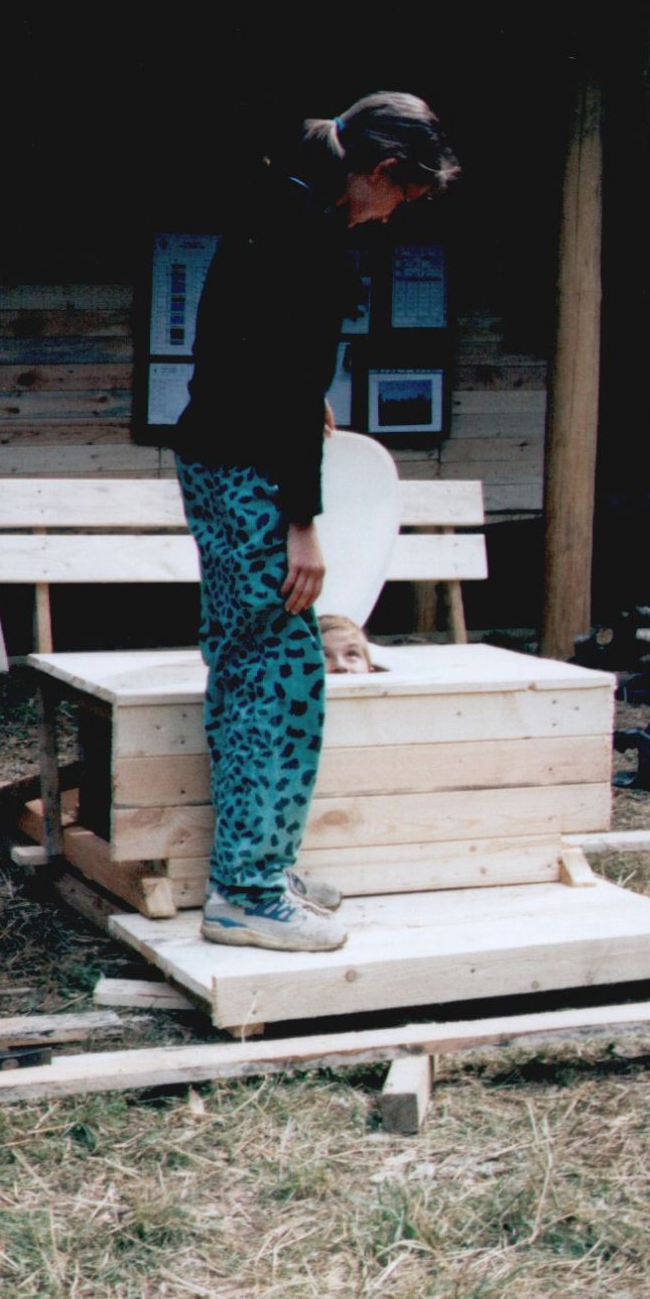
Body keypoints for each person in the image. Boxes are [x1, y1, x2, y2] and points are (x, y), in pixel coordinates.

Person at [174, 91, 459, 953]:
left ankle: (263, 864)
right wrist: (303, 520)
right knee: (272, 668)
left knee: (273, 667)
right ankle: (246, 891)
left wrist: (304, 403)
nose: (393, 215)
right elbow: (287, 378)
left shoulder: (290, 195)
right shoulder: (304, 226)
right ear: (381, 169)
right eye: (401, 195)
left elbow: (254, 350)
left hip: (229, 447)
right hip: (247, 469)